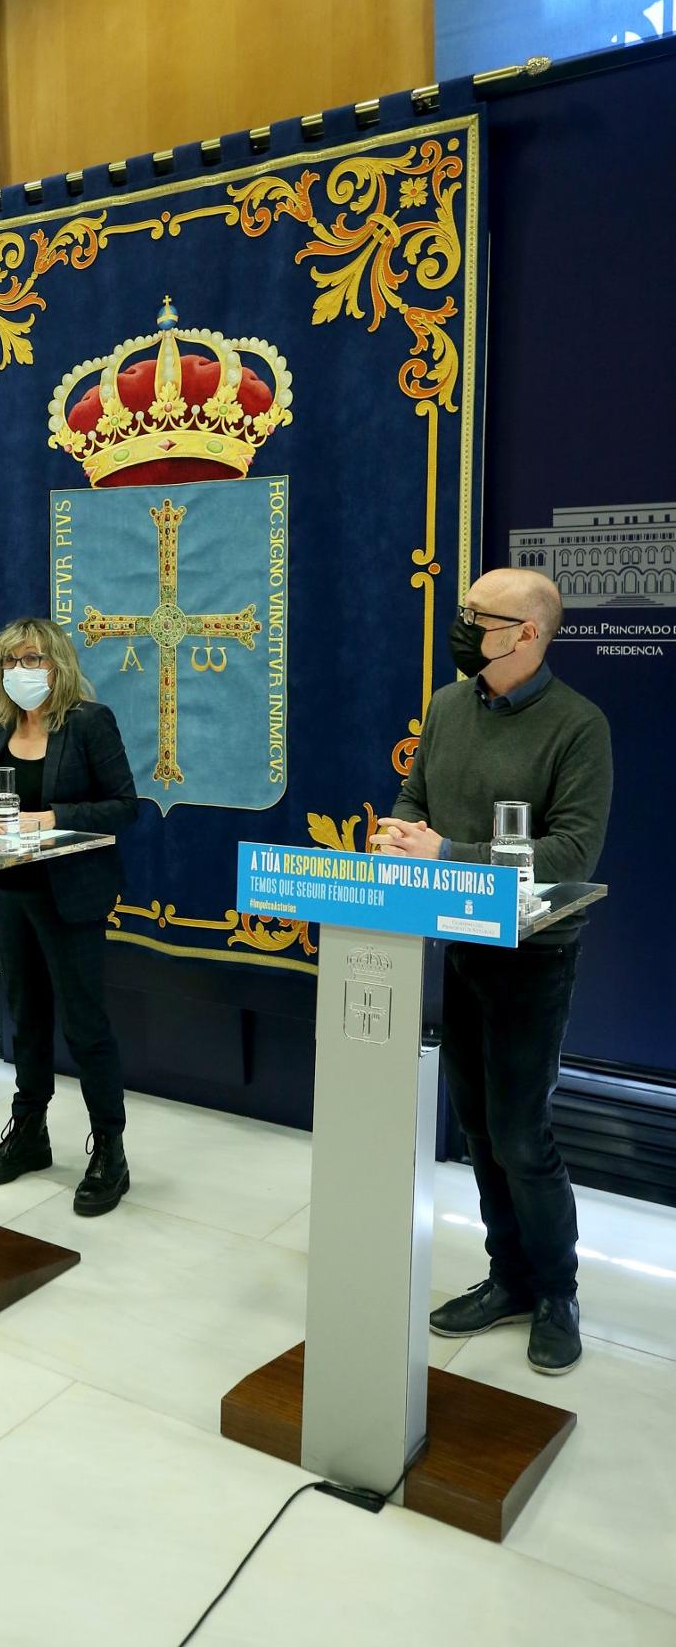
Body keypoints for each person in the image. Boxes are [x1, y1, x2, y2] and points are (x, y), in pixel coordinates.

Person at [372, 567, 611, 1374]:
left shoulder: (579, 726)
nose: (464, 623)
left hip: (533, 957)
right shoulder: (447, 706)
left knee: (520, 1134)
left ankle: (556, 1291)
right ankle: (508, 1277)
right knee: (477, 1131)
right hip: (457, 942)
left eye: (480, 615)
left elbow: (570, 854)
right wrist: (401, 835)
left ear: (528, 635)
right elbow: (415, 797)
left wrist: (449, 852)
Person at [0, 617, 139, 1215]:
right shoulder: (0, 729)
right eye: (11, 662)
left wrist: (50, 817)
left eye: (34, 660)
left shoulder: (87, 723)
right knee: (25, 1018)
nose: (21, 673)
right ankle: (29, 1131)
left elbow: (124, 806)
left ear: (58, 665)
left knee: (84, 1024)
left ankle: (109, 1148)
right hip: (12, 892)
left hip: (70, 895)